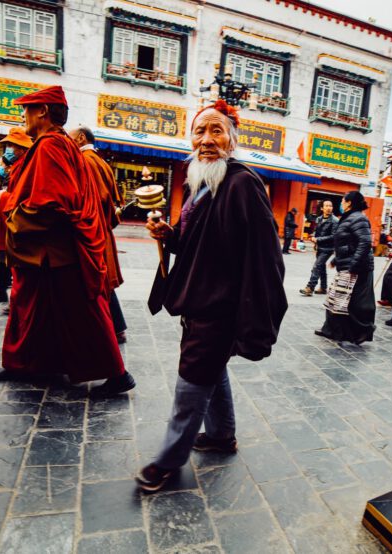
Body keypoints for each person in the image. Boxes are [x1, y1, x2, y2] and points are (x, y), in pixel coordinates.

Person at [138, 100, 287, 492]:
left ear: (232, 140)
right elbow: (201, 240)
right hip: (200, 298)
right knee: (211, 370)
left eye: (216, 131)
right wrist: (170, 237)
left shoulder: (242, 183)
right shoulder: (203, 180)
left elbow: (265, 255)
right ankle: (221, 436)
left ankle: (167, 461)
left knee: (192, 378)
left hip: (219, 305)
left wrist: (257, 311)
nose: (206, 139)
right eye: (200, 131)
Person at [0, 86, 135, 397]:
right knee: (30, 308)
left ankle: (118, 374)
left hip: (53, 252)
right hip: (49, 253)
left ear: (42, 111)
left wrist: (10, 210)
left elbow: (51, 204)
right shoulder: (57, 144)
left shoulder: (51, 146)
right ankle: (25, 363)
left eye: (27, 109)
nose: (23, 115)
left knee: (84, 312)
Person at [68, 125, 128, 343]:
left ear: (82, 138)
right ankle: (117, 329)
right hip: (101, 228)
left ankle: (110, 331)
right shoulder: (99, 161)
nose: (68, 141)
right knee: (103, 282)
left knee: (98, 282)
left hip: (93, 231)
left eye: (71, 137)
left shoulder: (86, 161)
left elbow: (99, 198)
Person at [315, 191, 375, 344]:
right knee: (335, 298)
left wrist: (353, 265)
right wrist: (336, 259)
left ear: (349, 203)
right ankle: (330, 329)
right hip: (346, 265)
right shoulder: (349, 218)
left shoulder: (359, 218)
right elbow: (347, 243)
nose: (341, 204)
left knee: (354, 302)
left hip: (357, 268)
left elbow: (364, 243)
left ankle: (364, 330)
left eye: (342, 201)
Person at [0, 128, 33, 303]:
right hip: (8, 221)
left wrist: (3, 195)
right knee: (4, 258)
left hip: (13, 222)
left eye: (12, 145)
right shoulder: (20, 166)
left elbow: (20, 196)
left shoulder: (24, 167)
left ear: (20, 148)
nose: (10, 148)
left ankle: (13, 297)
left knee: (9, 259)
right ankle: (5, 290)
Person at [299, 200, 338, 296]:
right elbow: (316, 231)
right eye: (326, 206)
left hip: (328, 248)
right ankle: (323, 288)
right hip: (320, 247)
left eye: (330, 206)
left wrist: (318, 239)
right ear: (322, 208)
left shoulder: (335, 220)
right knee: (321, 267)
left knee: (316, 267)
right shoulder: (319, 219)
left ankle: (310, 288)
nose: (329, 208)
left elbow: (333, 236)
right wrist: (313, 236)